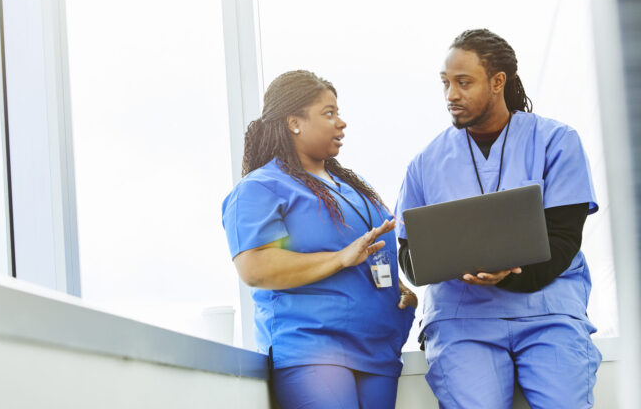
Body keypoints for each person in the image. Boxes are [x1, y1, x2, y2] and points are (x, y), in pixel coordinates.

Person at [395, 29, 602, 409]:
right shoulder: (425, 163)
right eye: (445, 84)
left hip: (547, 312)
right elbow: (409, 255)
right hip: (462, 321)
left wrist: (510, 272)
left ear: (497, 82)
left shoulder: (556, 141)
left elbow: (564, 238)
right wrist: (454, 263)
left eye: (463, 82)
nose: (451, 95)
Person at [222, 70, 416, 409]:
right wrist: (340, 258)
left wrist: (398, 291)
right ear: (294, 121)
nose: (341, 123)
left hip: (378, 352)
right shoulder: (261, 188)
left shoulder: (357, 192)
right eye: (329, 113)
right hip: (313, 349)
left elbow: (376, 256)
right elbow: (255, 267)